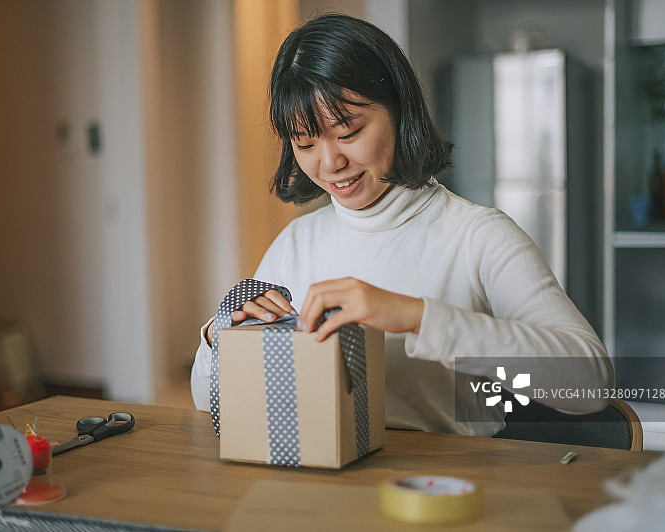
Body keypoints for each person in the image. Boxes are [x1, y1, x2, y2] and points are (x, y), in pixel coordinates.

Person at [190, 13, 613, 436]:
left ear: (398, 110)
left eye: (348, 132)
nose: (329, 162)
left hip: (447, 488)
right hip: (326, 478)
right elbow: (206, 400)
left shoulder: (478, 236)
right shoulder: (296, 244)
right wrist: (222, 336)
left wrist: (418, 317)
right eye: (305, 143)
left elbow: (591, 383)